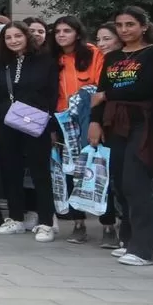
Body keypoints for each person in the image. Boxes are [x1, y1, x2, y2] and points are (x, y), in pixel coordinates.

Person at [90, 7, 153, 266]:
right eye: (120, 25)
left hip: (142, 123)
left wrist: (110, 96)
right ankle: (129, 241)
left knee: (138, 183)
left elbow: (148, 87)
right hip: (114, 123)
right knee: (120, 183)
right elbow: (100, 91)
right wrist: (95, 122)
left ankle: (146, 250)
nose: (124, 30)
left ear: (144, 26)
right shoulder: (113, 57)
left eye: (130, 24)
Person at [0, 21, 60, 241]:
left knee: (40, 172)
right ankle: (16, 218)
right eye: (8, 37)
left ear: (27, 36)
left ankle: (46, 221)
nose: (13, 41)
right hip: (5, 122)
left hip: (36, 122)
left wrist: (52, 124)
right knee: (11, 171)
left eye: (17, 36)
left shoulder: (45, 61)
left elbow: (52, 94)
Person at [51, 15, 106, 242]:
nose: (62, 35)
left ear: (77, 33)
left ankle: (108, 224)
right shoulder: (52, 58)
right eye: (58, 31)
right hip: (62, 121)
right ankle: (78, 222)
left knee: (98, 168)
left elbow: (99, 87)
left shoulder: (93, 53)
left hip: (88, 119)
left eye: (67, 30)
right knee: (70, 171)